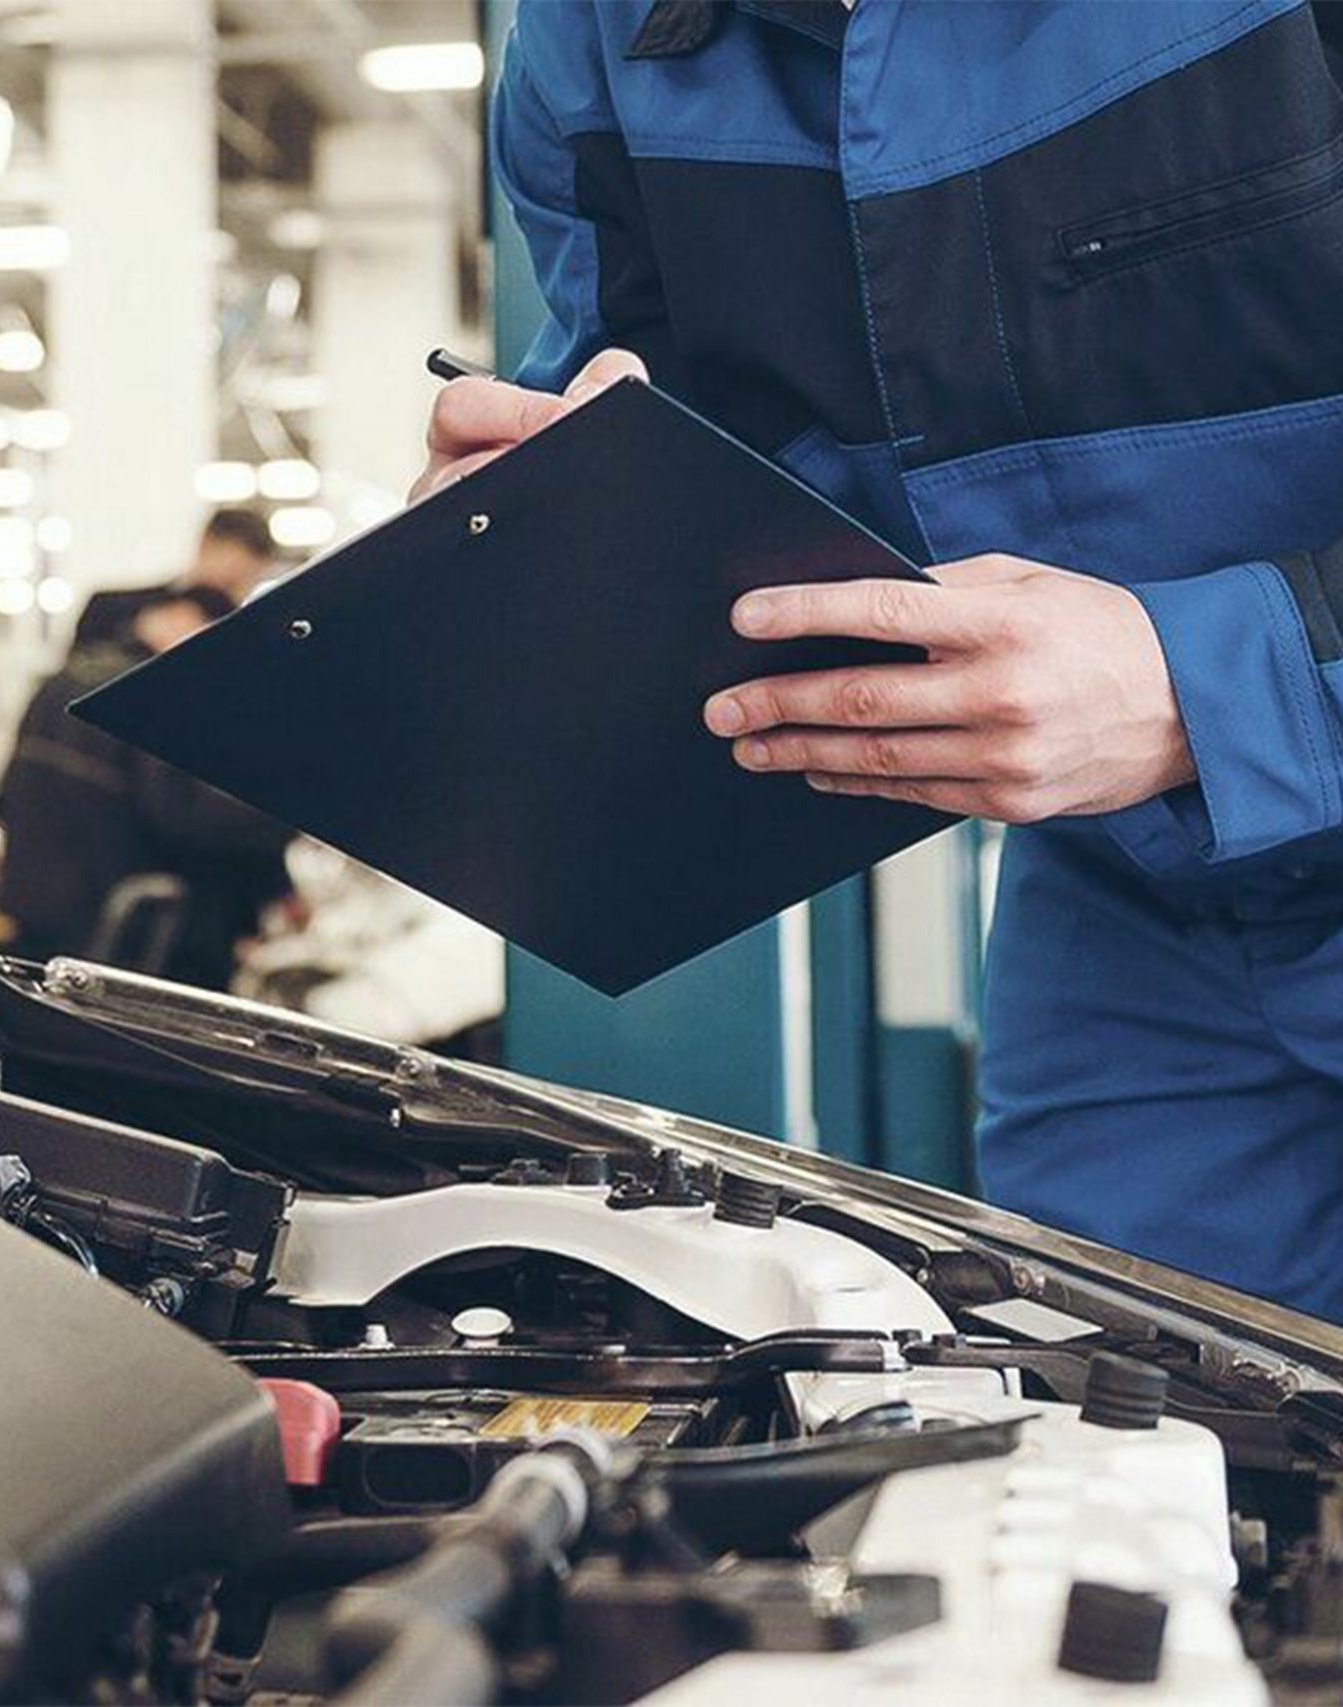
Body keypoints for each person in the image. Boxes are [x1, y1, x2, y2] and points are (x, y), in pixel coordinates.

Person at [429, 0, 1343, 1320]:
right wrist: (523, 532)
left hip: (1191, 787)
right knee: (1132, 1472)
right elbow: (655, 451)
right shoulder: (596, 39)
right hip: (1135, 910)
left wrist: (1214, 683)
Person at [0, 588, 293, 989]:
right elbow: (186, 815)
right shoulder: (150, 696)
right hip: (122, 927)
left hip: (37, 912)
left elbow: (5, 792)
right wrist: (284, 816)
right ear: (182, 619)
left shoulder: (59, 683)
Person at [69, 508, 278, 657]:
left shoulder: (254, 636)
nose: (228, 594)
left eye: (243, 583)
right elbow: (72, 687)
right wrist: (138, 635)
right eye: (228, 579)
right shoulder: (110, 608)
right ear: (205, 546)